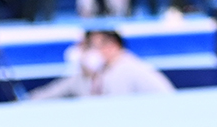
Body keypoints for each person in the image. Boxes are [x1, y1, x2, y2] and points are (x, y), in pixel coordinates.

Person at [28, 29, 176, 99]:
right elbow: (55, 91)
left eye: (91, 46)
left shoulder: (128, 70)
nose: (86, 52)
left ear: (113, 46)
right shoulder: (96, 73)